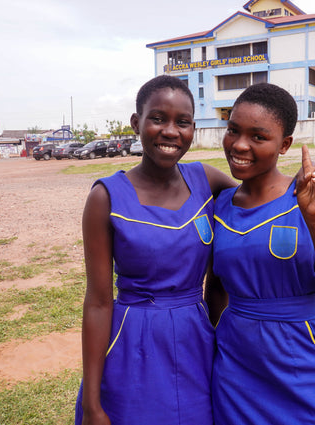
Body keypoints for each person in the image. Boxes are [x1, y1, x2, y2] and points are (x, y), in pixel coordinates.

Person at [75, 75, 235, 425]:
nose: (171, 131)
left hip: (197, 340)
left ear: (194, 128)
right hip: (134, 343)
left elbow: (255, 203)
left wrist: (298, 192)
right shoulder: (106, 197)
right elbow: (99, 302)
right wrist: (91, 404)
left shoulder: (206, 181)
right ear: (137, 123)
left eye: (183, 122)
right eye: (158, 118)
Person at [206, 83, 315, 425]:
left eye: (258, 137)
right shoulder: (220, 206)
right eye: (233, 130)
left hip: (300, 362)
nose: (240, 144)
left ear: (284, 144)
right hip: (235, 369)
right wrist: (217, 344)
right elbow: (215, 287)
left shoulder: (308, 197)